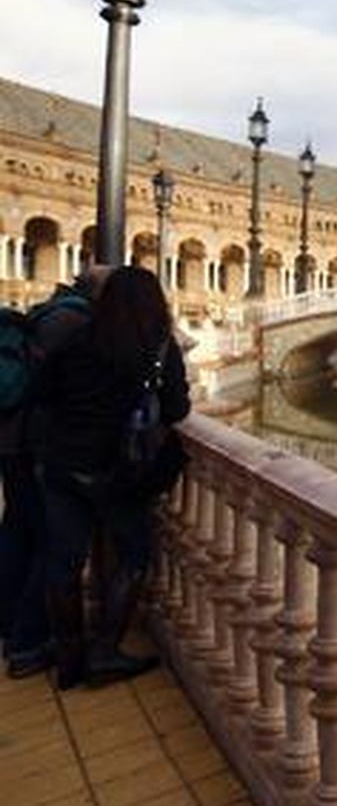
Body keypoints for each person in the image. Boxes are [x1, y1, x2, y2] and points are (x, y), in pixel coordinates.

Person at [35, 265, 189, 689]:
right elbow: (177, 410)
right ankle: (104, 651)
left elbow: (43, 394)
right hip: (118, 472)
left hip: (64, 465)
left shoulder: (78, 340)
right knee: (135, 557)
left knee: (63, 563)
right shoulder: (158, 345)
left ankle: (69, 662)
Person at [0, 267, 106, 678]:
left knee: (18, 531)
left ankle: (10, 625)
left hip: (13, 440)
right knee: (51, 543)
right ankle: (28, 642)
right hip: (36, 445)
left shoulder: (50, 312)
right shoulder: (75, 323)